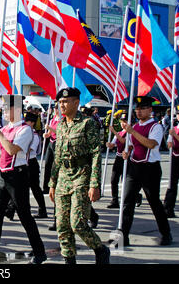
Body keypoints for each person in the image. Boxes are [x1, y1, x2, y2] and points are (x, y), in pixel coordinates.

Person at [0, 95, 47, 265]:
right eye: (3, 108)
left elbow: (11, 150)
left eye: (6, 108)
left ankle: (39, 251)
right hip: (2, 176)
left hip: (17, 176)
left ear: (17, 110)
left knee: (25, 216)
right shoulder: (5, 129)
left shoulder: (25, 130)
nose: (3, 111)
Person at [48, 87, 110, 264]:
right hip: (63, 178)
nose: (62, 105)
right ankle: (69, 259)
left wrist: (94, 184)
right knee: (62, 224)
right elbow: (57, 157)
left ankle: (100, 249)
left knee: (78, 224)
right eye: (60, 102)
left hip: (81, 176)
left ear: (76, 103)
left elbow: (96, 153)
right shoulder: (60, 126)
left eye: (66, 102)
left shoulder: (87, 123)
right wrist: (52, 183)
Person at [120, 96, 172, 246]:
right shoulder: (134, 127)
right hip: (134, 166)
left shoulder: (156, 126)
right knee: (127, 201)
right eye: (137, 109)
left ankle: (166, 233)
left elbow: (151, 144)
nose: (139, 112)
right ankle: (124, 236)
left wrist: (132, 132)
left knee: (154, 202)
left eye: (142, 109)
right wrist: (127, 151)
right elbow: (130, 145)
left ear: (150, 110)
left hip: (150, 168)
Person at [106, 113, 133, 208]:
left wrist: (114, 131)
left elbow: (124, 142)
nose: (123, 124)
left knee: (125, 181)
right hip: (118, 157)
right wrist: (109, 145)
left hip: (127, 158)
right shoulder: (120, 132)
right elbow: (114, 144)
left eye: (125, 122)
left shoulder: (131, 133)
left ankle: (136, 196)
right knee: (114, 179)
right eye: (122, 122)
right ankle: (114, 200)